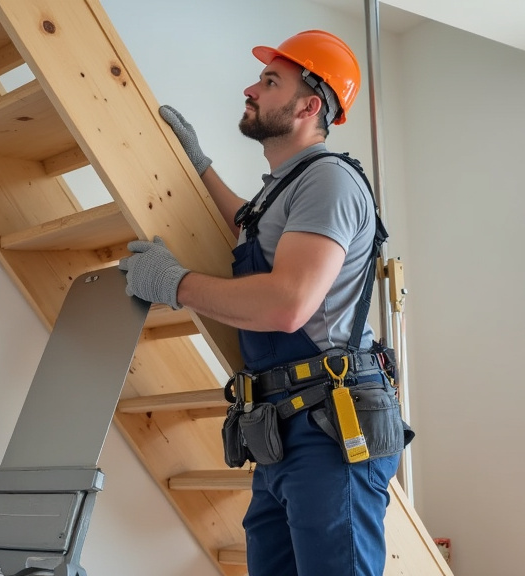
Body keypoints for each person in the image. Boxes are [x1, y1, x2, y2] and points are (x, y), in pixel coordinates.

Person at [119, 30, 407, 576]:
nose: (252, 88)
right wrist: (199, 164)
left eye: (271, 81)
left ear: (309, 106)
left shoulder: (329, 181)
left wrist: (177, 285)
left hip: (328, 427)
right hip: (281, 427)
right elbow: (250, 228)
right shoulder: (288, 185)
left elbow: (287, 305)